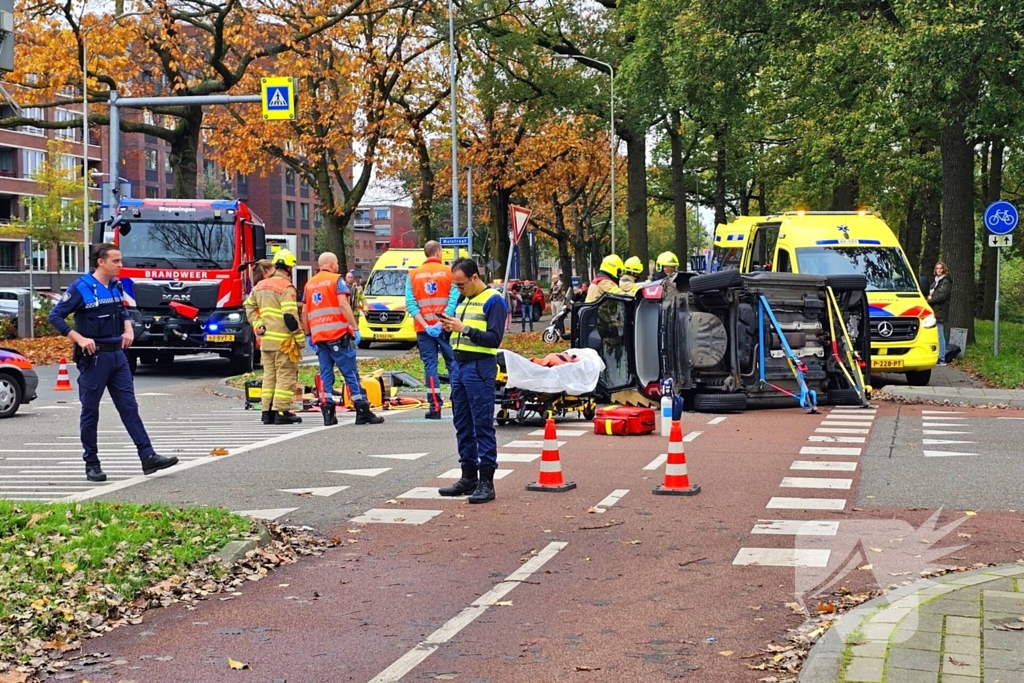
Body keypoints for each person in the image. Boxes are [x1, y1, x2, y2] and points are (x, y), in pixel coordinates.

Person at [48, 243, 178, 482]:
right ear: (101, 262)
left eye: (120, 260)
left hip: (118, 355)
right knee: (90, 412)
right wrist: (79, 338)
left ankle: (148, 456)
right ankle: (92, 463)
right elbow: (55, 316)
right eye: (116, 261)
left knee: (130, 407)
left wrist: (128, 329)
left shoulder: (116, 286)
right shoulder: (81, 287)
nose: (120, 265)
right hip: (94, 358)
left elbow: (123, 311)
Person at [437, 259, 508, 504]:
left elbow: (494, 338)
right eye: (455, 286)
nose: (458, 289)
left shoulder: (494, 300)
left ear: (475, 277)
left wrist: (464, 328)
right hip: (460, 365)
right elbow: (458, 331)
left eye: (461, 284)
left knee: (482, 424)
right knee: (462, 423)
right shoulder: (463, 300)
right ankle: (468, 476)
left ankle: (486, 482)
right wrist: (448, 327)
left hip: (480, 366)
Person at [304, 252, 384, 426]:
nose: (338, 266)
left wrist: (308, 334)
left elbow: (305, 312)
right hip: (337, 335)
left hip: (319, 338)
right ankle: (362, 410)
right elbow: (343, 304)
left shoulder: (309, 284)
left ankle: (328, 413)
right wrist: (355, 327)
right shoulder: (337, 281)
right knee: (350, 373)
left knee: (326, 374)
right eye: (337, 263)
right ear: (332, 264)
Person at [245, 249, 306, 425]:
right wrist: (300, 339)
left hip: (266, 342)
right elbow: (289, 316)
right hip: (284, 342)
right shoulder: (286, 287)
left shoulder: (260, 286)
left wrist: (257, 324)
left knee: (269, 376)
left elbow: (248, 306)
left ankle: (266, 412)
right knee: (285, 375)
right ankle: (281, 412)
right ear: (289, 268)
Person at [405, 240, 459, 419]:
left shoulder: (412, 275)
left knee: (430, 366)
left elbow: (411, 305)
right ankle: (458, 403)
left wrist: (427, 325)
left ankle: (435, 406)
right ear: (438, 253)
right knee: (453, 363)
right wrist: (441, 322)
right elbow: (453, 299)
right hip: (447, 326)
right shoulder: (449, 272)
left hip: (424, 329)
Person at [928, 262, 952, 365]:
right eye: (937, 268)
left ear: (944, 270)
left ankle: (941, 358)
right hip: (933, 310)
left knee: (939, 333)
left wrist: (929, 300)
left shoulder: (945, 282)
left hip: (940, 310)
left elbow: (941, 297)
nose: (938, 270)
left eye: (940, 268)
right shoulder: (935, 282)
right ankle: (936, 355)